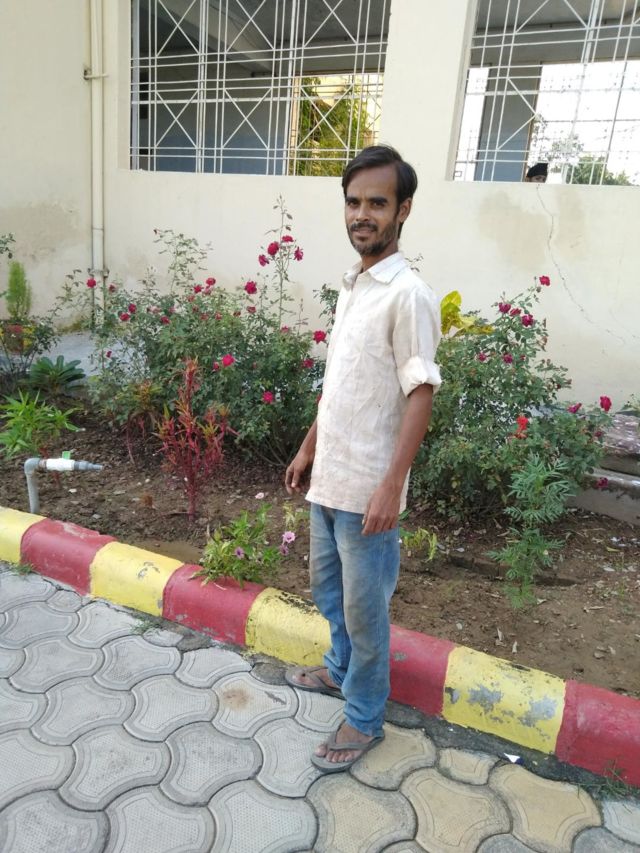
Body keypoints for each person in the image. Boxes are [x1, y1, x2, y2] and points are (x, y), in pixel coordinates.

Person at [284, 144, 442, 773]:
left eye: (377, 202)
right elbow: (343, 384)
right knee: (329, 593)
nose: (361, 214)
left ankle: (365, 715)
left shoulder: (408, 295)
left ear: (403, 210)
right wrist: (307, 447)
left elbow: (420, 392)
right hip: (330, 479)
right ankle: (339, 669)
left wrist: (390, 487)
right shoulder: (354, 286)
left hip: (368, 492)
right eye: (353, 202)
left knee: (365, 610)